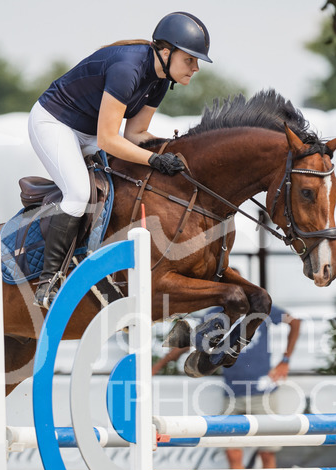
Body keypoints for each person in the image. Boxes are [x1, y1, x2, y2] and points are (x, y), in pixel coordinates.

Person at [28, 11, 212, 310]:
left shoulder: (161, 80)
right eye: (190, 59)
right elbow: (109, 140)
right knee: (79, 194)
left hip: (90, 132)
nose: (196, 67)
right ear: (165, 52)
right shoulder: (128, 69)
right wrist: (155, 159)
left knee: (125, 185)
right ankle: (48, 282)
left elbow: (136, 133)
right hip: (54, 123)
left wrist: (170, 151)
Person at [153, 306, 301, 470]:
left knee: (267, 454)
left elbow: (295, 321)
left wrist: (285, 360)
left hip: (263, 391)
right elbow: (193, 341)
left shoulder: (260, 307)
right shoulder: (214, 315)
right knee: (233, 453)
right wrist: (156, 366)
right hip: (232, 393)